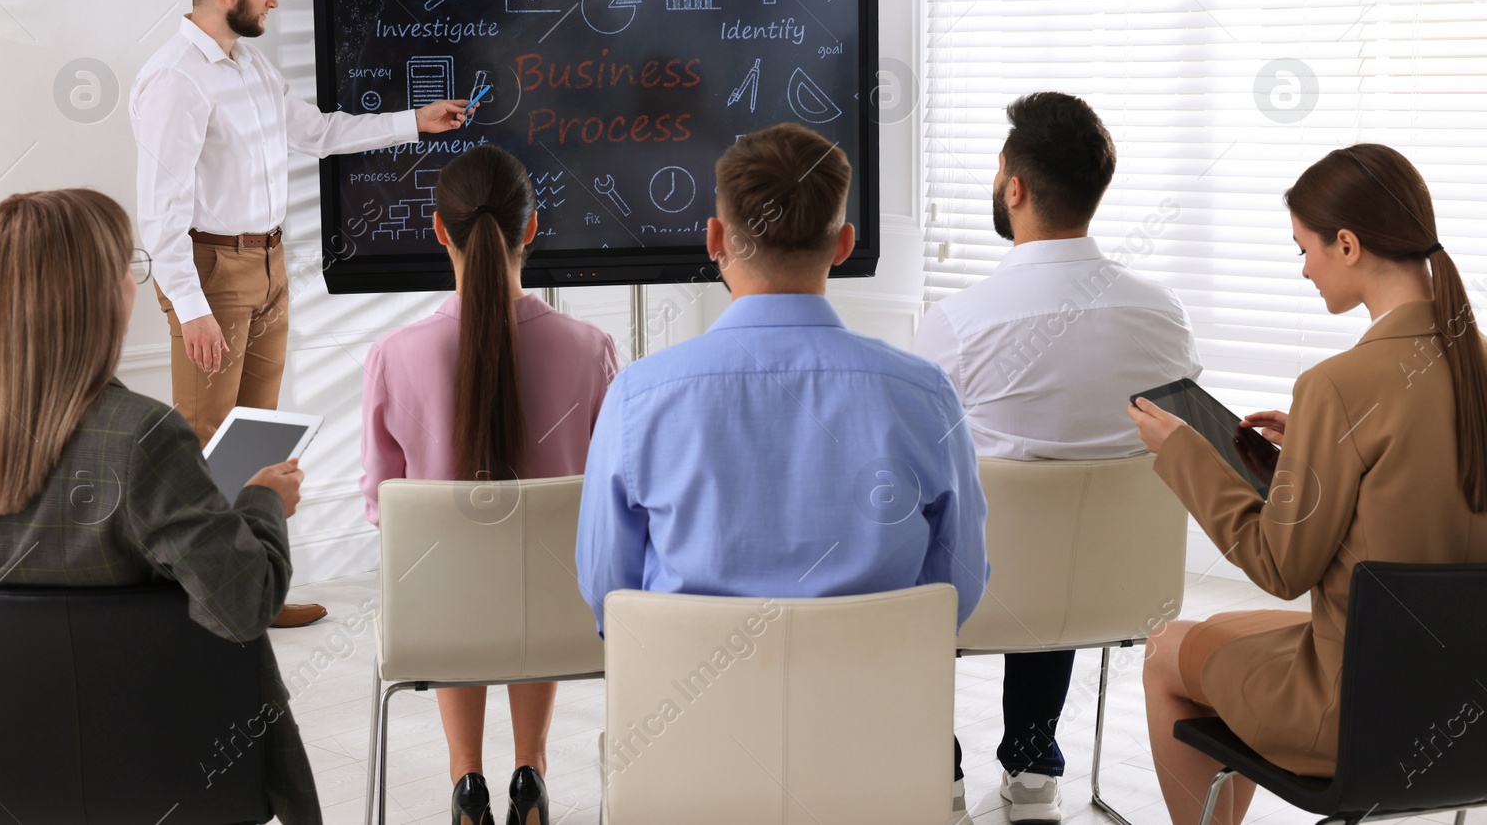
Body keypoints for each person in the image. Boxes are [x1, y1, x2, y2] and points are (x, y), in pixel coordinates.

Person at [0, 189, 320, 825]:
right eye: (127, 265)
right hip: (164, 772)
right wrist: (261, 501)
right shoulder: (142, 436)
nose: (132, 283)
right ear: (94, 294)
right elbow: (244, 605)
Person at [1129, 143, 1487, 825]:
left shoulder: (1339, 385)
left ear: (1347, 244)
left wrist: (1186, 452)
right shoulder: (1474, 364)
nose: (1303, 270)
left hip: (1358, 713)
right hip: (1465, 709)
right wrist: (1318, 446)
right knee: (1213, 628)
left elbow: (1279, 565)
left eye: (1304, 248)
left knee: (1166, 649)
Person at [130, 0, 470, 628]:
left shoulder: (248, 65)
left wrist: (416, 122)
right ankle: (199, 606)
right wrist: (190, 308)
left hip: (270, 263)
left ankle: (255, 588)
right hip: (212, 272)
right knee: (206, 442)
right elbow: (159, 212)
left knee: (255, 439)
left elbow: (315, 132)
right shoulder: (175, 78)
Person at [575, 121, 988, 638]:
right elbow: (959, 589)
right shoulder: (926, 395)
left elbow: (607, 595)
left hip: (690, 714)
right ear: (843, 244)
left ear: (715, 239)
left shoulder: (637, 399)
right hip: (873, 711)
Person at [911, 92, 1201, 824]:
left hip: (986, 590)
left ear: (1015, 187)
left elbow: (909, 465)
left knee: (914, 524)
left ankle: (934, 771)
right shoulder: (1163, 317)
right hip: (1119, 591)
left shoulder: (957, 324)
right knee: (1053, 541)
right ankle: (1035, 766)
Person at [361, 145, 617, 825]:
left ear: (438, 230)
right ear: (530, 230)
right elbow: (614, 497)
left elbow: (382, 508)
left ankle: (465, 783)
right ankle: (529, 773)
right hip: (563, 619)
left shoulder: (393, 356)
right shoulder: (590, 348)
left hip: (441, 617)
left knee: (453, 577)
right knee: (537, 578)